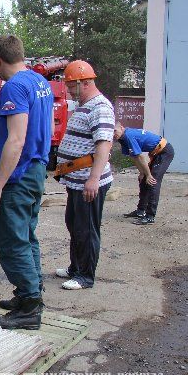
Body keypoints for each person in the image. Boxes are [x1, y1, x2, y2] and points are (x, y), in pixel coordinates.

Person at [0, 35, 52, 330]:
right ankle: (31, 295)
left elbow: (16, 139)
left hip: (19, 174)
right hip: (37, 169)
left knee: (12, 243)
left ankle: (29, 308)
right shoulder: (40, 82)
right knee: (28, 235)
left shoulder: (14, 87)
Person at [54, 60, 114, 290]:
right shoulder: (85, 104)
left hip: (88, 182)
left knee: (86, 229)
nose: (69, 90)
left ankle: (85, 276)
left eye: (71, 86)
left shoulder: (100, 107)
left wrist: (93, 180)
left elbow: (104, 145)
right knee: (74, 224)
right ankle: (74, 268)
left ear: (84, 82)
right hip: (77, 181)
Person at [113, 122, 174, 225]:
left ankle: (150, 216)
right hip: (156, 153)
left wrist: (149, 175)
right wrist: (142, 173)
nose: (113, 134)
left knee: (152, 181)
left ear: (122, 128)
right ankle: (140, 211)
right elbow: (134, 156)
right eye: (111, 132)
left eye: (115, 130)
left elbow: (141, 157)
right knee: (143, 180)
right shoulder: (121, 139)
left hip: (164, 152)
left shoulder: (128, 135)